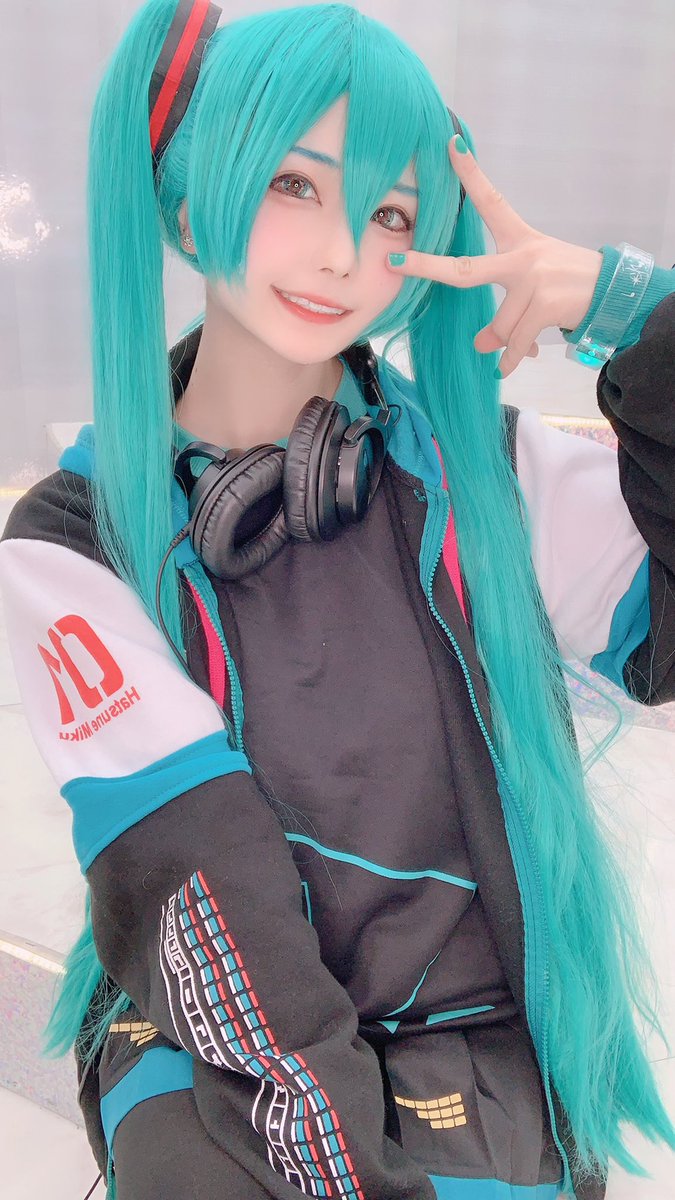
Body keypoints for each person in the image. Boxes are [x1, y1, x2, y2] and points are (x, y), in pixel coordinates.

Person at [0, 1, 673, 1197]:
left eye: (390, 214)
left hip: (475, 1035)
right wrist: (346, 1173)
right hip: (219, 1054)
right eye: (294, 186)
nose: (340, 252)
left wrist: (635, 312)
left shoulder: (489, 481)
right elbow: (199, 879)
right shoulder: (77, 539)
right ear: (191, 198)